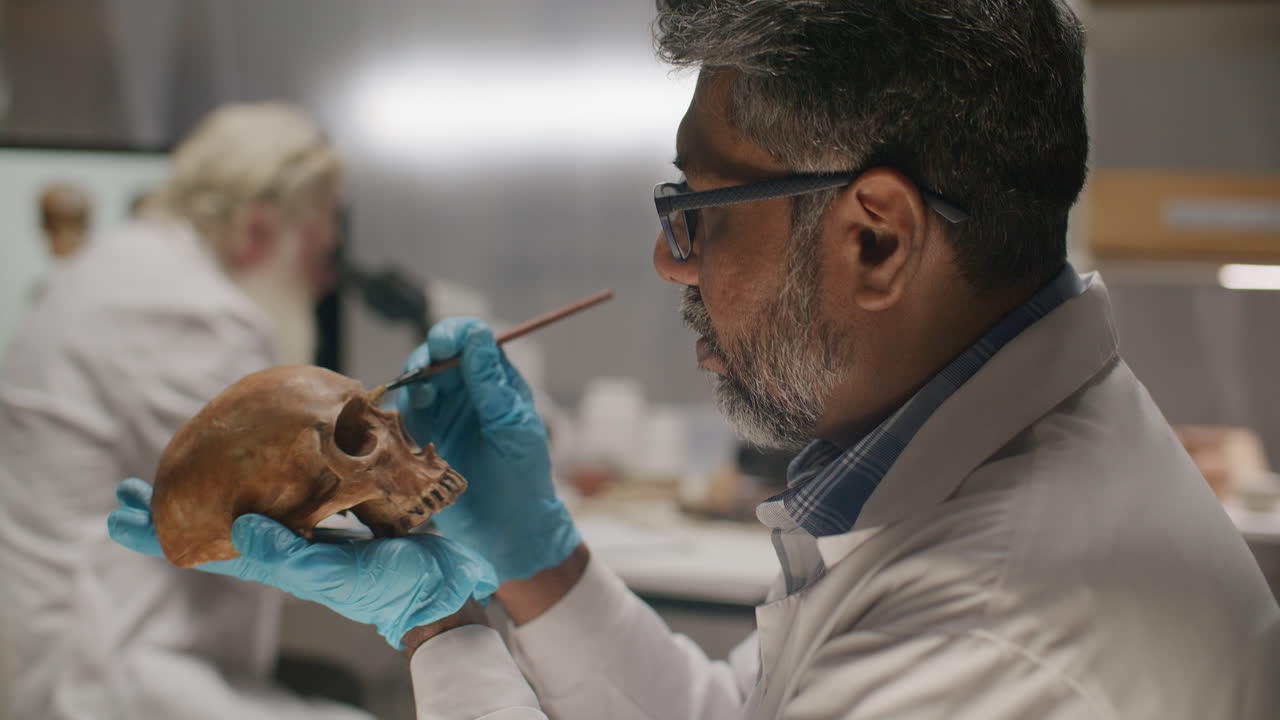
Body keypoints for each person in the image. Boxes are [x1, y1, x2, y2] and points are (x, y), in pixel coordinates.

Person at [108, 2, 1280, 718]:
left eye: (699, 210)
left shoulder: (990, 630)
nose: (670, 265)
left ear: (875, 235)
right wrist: (537, 559)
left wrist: (440, 631)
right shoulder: (967, 469)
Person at [0, 102, 373, 719]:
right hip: (113, 679)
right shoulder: (192, 313)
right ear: (256, 232)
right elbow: (284, 503)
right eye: (316, 257)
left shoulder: (126, 268)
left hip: (99, 653)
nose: (323, 282)